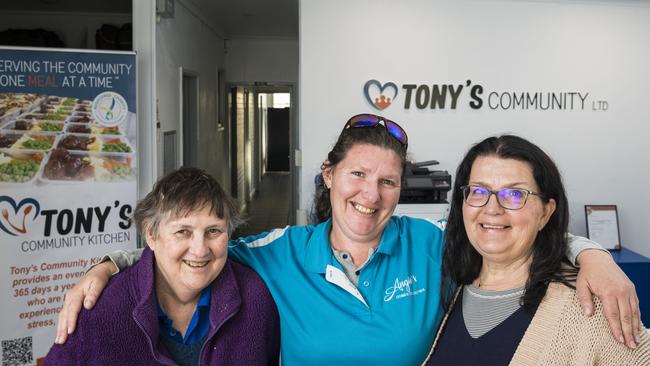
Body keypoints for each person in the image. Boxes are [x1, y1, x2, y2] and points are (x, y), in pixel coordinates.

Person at [56, 115, 641, 364]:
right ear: (330, 177)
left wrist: (589, 253)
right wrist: (111, 263)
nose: (371, 193)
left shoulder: (428, 242)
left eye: (388, 181)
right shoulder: (281, 250)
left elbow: (501, 231)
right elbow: (192, 250)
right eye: (357, 175)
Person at [423, 135, 649, 365]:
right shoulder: (448, 286)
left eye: (514, 194)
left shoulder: (590, 306)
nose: (492, 209)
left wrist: (597, 257)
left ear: (546, 213)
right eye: (479, 191)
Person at [45, 168, 280, 365]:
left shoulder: (255, 299)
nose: (200, 250)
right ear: (151, 234)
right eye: (182, 232)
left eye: (214, 231)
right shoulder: (100, 309)